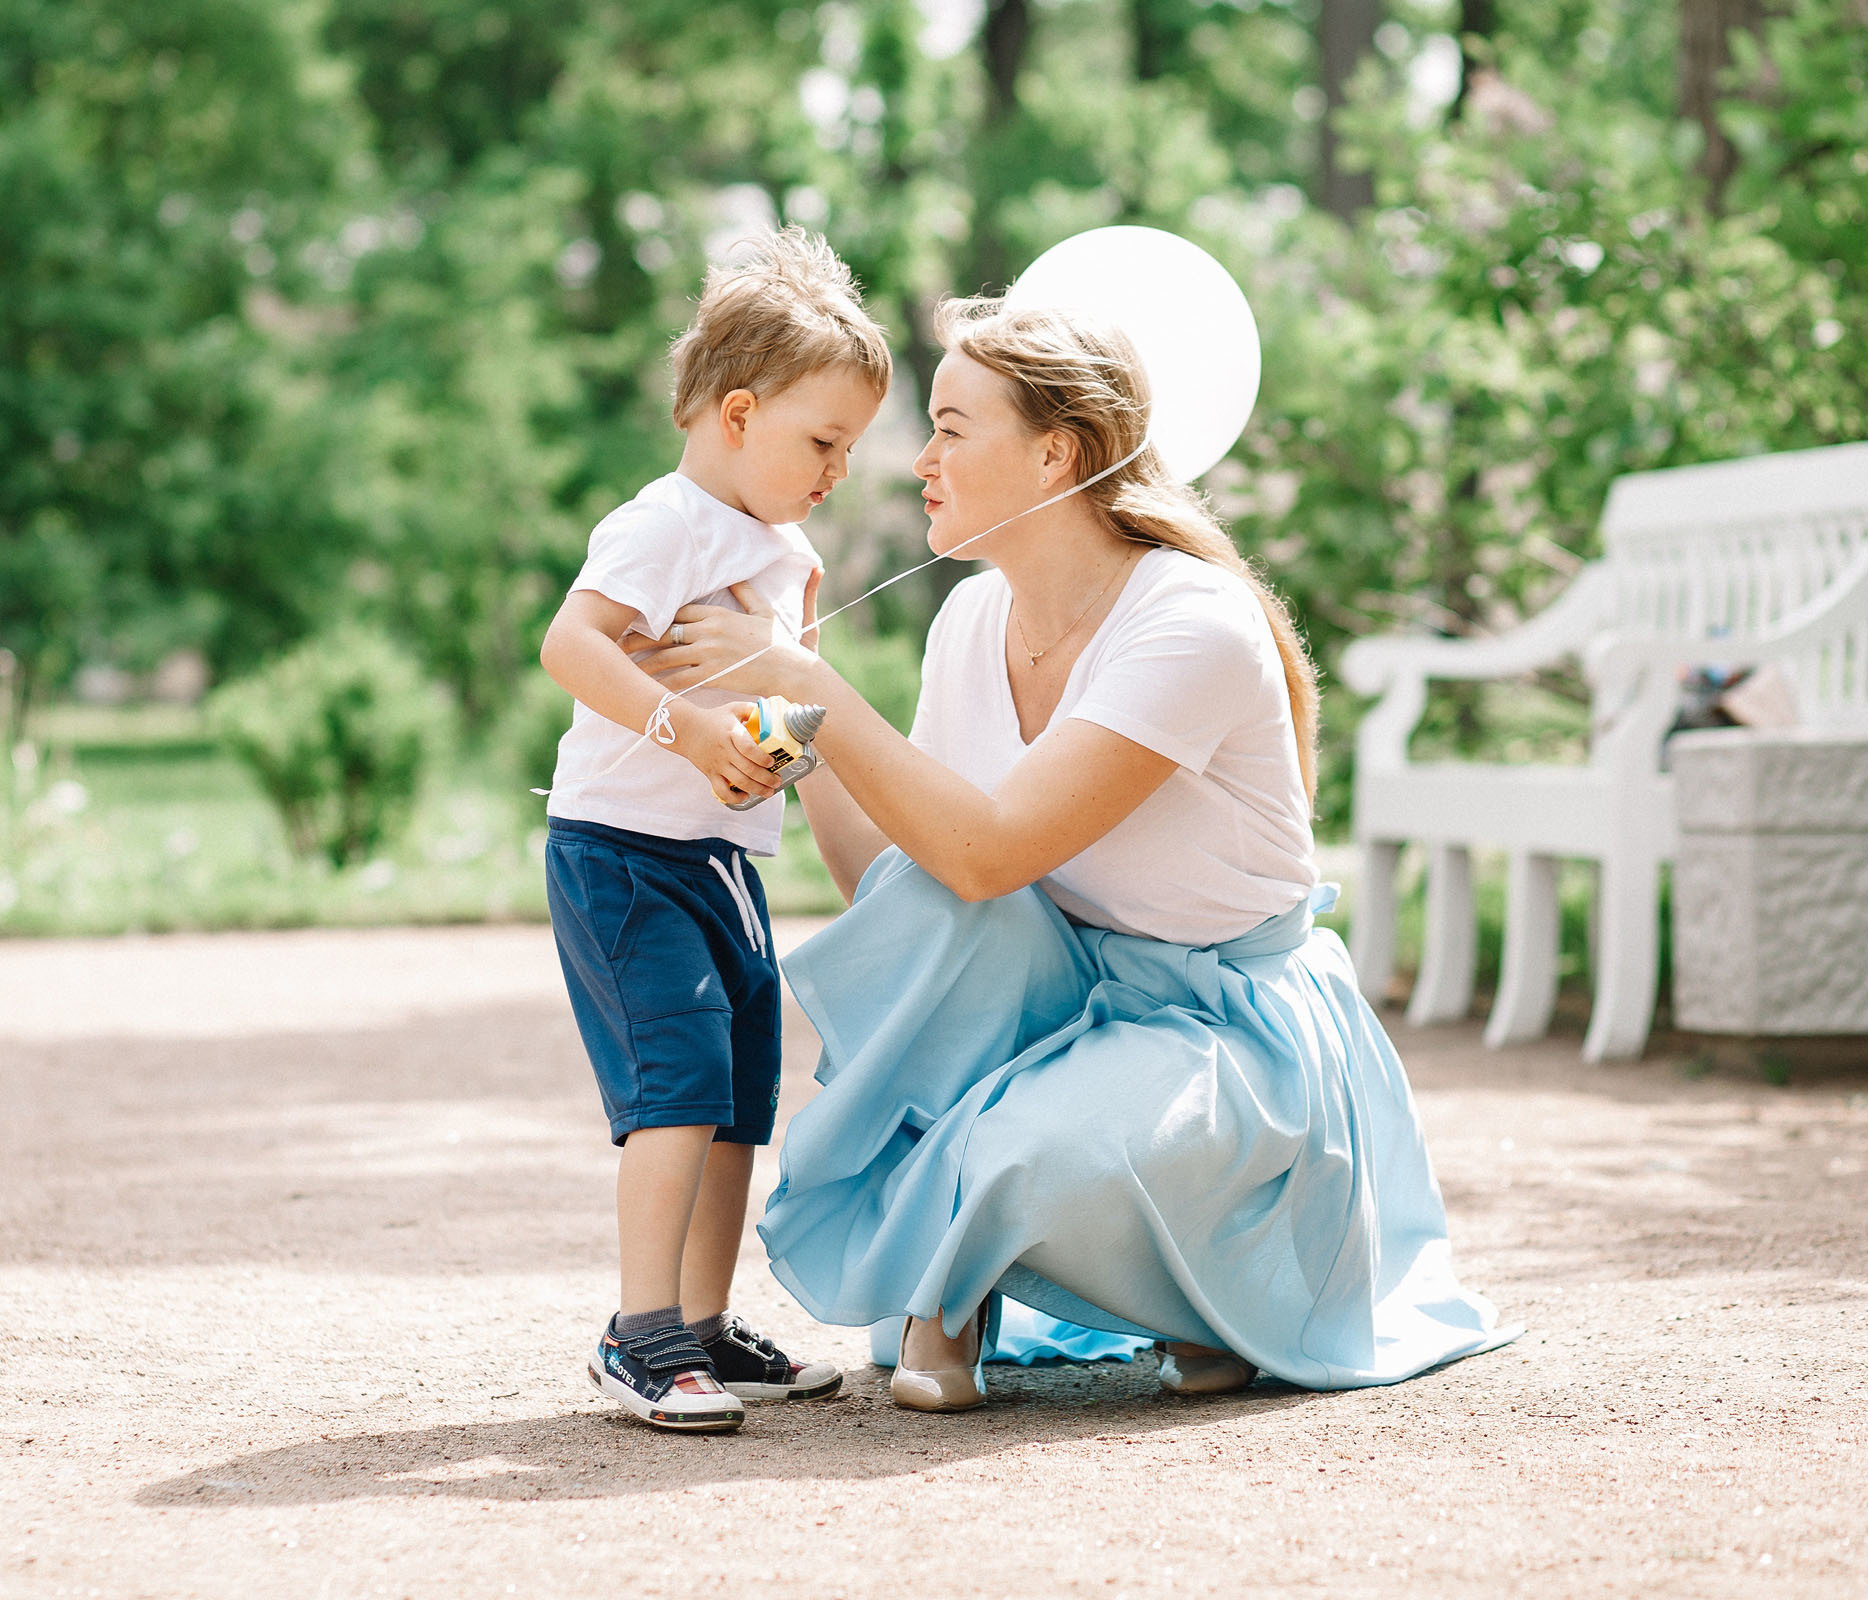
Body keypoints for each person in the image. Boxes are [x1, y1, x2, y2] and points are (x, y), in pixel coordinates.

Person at [637, 294, 1517, 1413]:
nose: (919, 459)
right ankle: (992, 1292)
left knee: (1023, 1157)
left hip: (1226, 1031)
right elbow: (905, 887)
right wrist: (790, 706)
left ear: (1055, 452)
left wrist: (814, 686)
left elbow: (991, 852)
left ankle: (1203, 1284)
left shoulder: (1193, 621)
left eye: (953, 427)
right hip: (1066, 998)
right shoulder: (969, 621)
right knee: (958, 957)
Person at [537, 228, 889, 1432]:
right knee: (674, 1084)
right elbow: (569, 647)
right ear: (738, 414)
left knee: (741, 1094)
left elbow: (795, 702)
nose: (839, 468)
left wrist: (763, 761)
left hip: (722, 855)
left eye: (852, 446)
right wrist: (686, 732)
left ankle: (698, 1321)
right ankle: (637, 1335)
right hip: (622, 850)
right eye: (824, 442)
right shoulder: (664, 522)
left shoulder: (792, 557)